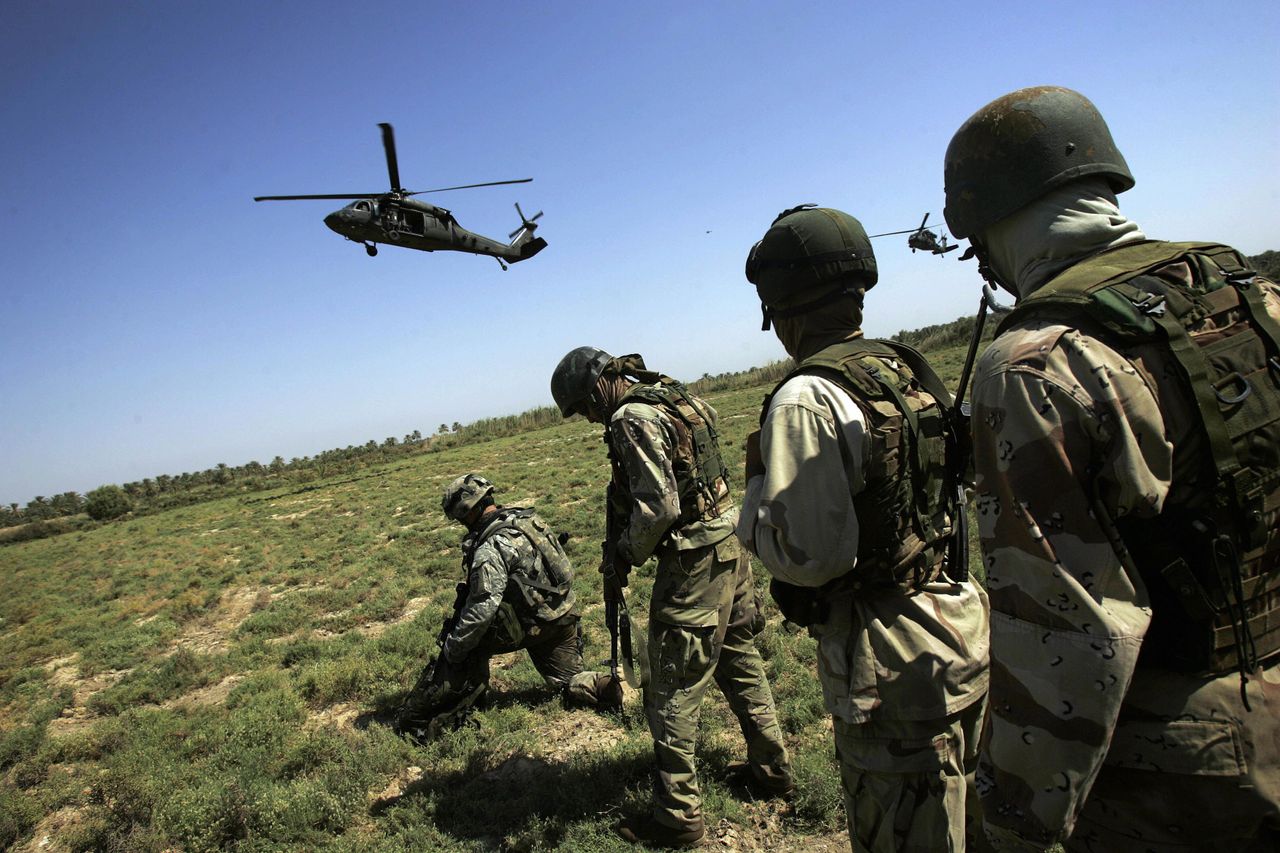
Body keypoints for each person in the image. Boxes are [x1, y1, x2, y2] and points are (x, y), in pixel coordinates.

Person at [944, 85, 1280, 851]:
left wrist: (1016, 820)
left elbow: (1066, 634)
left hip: (1187, 770)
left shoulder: (1034, 363)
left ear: (990, 221)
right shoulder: (1254, 292)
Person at [736, 204, 990, 852]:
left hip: (889, 666)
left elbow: (809, 557)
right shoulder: (902, 367)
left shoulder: (807, 396)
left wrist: (754, 495)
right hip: (959, 627)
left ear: (781, 306)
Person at [550, 347, 794, 848]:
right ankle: (772, 770)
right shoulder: (672, 394)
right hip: (730, 540)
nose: (589, 418)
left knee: (669, 686)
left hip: (694, 562)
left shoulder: (630, 417)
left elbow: (659, 508)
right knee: (737, 658)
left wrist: (625, 553)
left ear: (599, 386)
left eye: (584, 406)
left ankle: (678, 817)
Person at [394, 473, 621, 741]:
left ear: (467, 511)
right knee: (566, 684)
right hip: (561, 617)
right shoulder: (528, 520)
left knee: (467, 643)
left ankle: (467, 704)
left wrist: (453, 648)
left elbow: (481, 610)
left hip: (530, 625)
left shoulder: (490, 548)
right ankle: (603, 686)